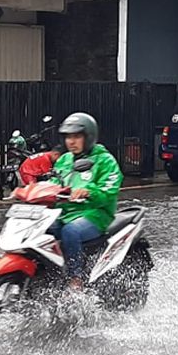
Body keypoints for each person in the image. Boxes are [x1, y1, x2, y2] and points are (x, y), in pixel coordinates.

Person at [49, 112, 124, 290]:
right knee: (44, 229)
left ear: (88, 137)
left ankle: (76, 278)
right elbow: (54, 182)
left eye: (76, 137)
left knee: (70, 232)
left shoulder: (105, 160)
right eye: (68, 137)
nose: (71, 142)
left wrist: (88, 192)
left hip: (95, 214)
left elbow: (110, 189)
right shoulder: (65, 160)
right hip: (66, 211)